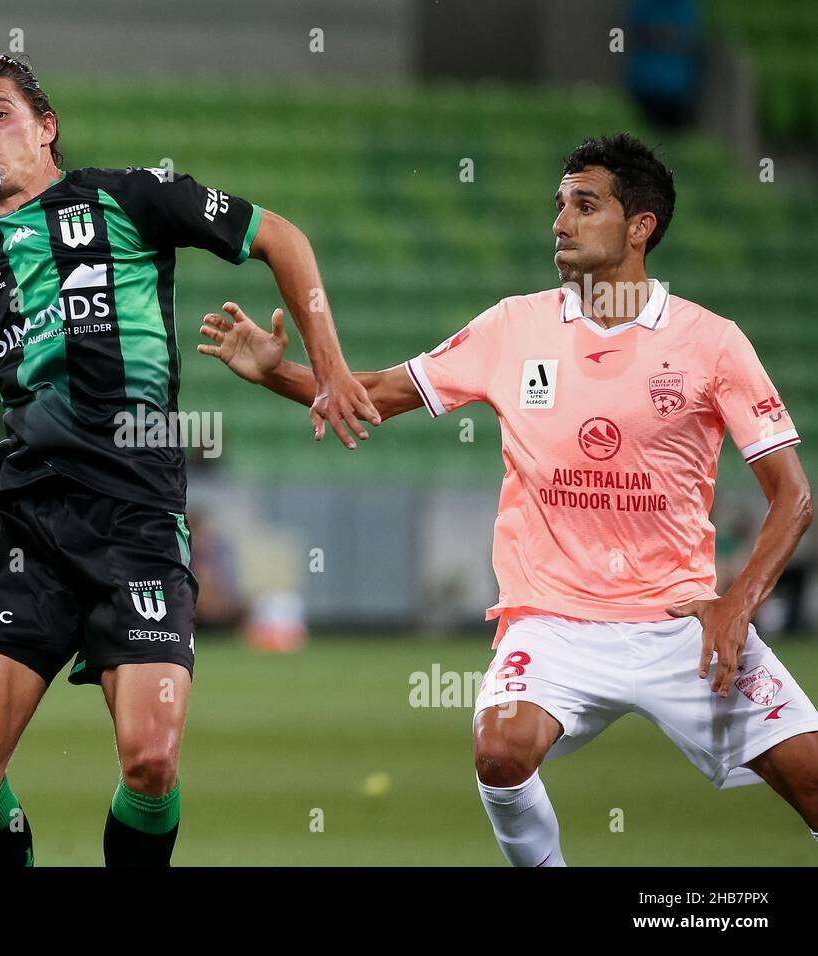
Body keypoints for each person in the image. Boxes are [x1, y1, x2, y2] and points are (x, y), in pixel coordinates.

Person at [0, 51, 375, 866]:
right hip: (29, 525)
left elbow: (279, 236)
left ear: (46, 127)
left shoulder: (127, 198)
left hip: (139, 517)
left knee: (151, 762)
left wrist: (331, 368)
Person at [199, 132, 818, 864]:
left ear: (640, 226)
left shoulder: (711, 343)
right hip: (552, 621)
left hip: (681, 619)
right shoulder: (512, 327)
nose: (560, 222)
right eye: (559, 205)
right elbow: (377, 396)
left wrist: (736, 603)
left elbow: (793, 496)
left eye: (585, 206)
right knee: (499, 750)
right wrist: (276, 372)